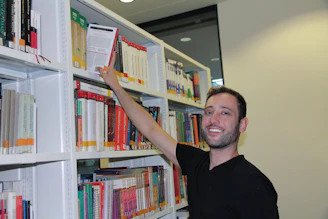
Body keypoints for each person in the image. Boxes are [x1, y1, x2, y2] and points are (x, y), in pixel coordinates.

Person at [98, 52, 279, 219]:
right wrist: (115, 85)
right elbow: (151, 130)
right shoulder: (196, 162)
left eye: (225, 113)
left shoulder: (254, 184)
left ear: (242, 125)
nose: (213, 120)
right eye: (209, 112)